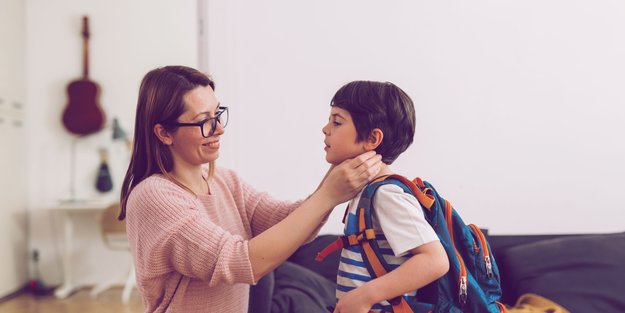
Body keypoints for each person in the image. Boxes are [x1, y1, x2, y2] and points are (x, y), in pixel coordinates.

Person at [118, 66, 383, 313]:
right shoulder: (153, 197)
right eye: (204, 121)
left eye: (218, 115)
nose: (219, 129)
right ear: (164, 133)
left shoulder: (224, 181)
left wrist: (336, 176)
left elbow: (288, 221)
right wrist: (329, 194)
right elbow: (240, 263)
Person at [321, 81, 450, 313]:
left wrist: (364, 296)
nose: (325, 129)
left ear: (372, 139)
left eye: (337, 122)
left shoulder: (386, 194)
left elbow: (435, 260)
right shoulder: (366, 190)